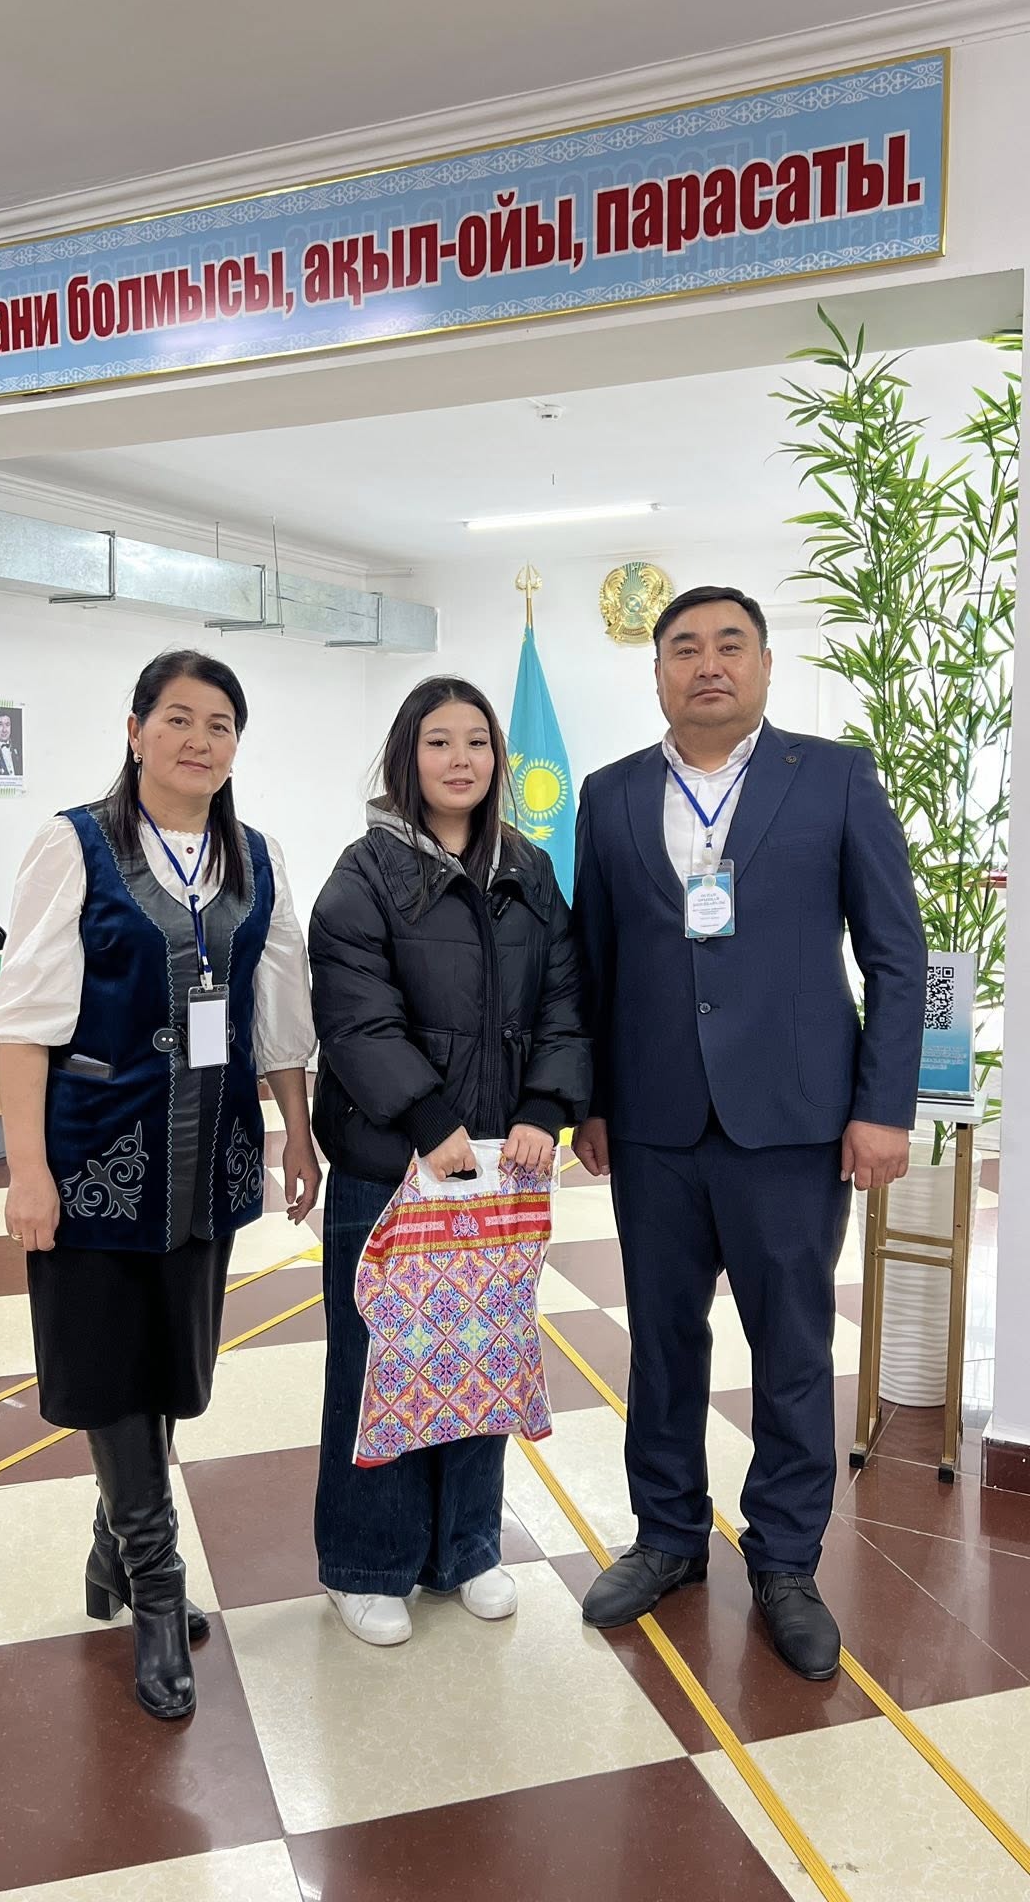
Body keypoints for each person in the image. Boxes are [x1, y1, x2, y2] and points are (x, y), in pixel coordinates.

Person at [573, 586, 925, 1679]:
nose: (708, 664)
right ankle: (668, 1536)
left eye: (731, 644)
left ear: (767, 665)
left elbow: (897, 952)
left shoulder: (835, 778)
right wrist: (591, 1098)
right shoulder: (610, 792)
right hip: (655, 1124)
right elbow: (593, 961)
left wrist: (883, 1105)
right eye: (685, 648)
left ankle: (785, 1561)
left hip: (793, 1122)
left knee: (792, 1347)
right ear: (659, 674)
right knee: (662, 1340)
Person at [0, 649, 319, 1720]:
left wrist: (297, 1133)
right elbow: (25, 1022)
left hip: (209, 1158)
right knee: (108, 1365)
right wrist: (28, 1172)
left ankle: (109, 1549)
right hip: (95, 1156)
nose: (198, 740)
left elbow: (277, 1015)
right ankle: (158, 1590)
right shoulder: (76, 844)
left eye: (220, 724)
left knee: (173, 1368)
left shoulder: (255, 858)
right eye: (177, 718)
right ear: (135, 732)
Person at [309, 676, 590, 1647]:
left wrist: (546, 1105)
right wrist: (428, 1118)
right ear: (408, 755)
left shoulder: (528, 866)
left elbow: (564, 996)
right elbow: (354, 1011)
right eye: (439, 740)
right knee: (382, 1359)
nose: (461, 758)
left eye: (477, 741)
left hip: (498, 1165)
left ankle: (466, 1547)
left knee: (480, 1353)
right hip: (393, 1161)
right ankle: (366, 1565)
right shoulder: (366, 870)